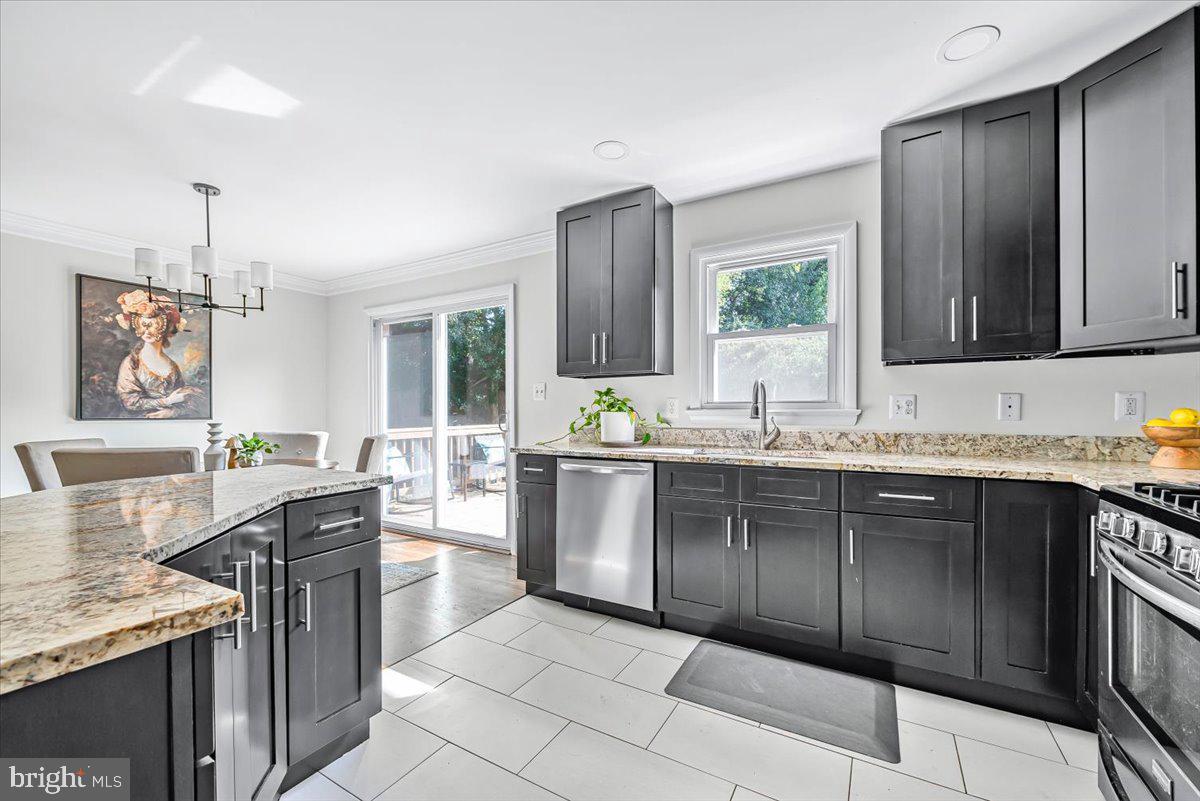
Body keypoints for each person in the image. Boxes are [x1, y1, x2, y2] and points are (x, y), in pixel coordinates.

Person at [113, 289, 204, 418]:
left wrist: (172, 412)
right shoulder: (131, 363)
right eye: (143, 325)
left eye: (155, 325)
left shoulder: (172, 366)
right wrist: (167, 401)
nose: (147, 331)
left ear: (165, 328)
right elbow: (130, 402)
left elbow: (184, 402)